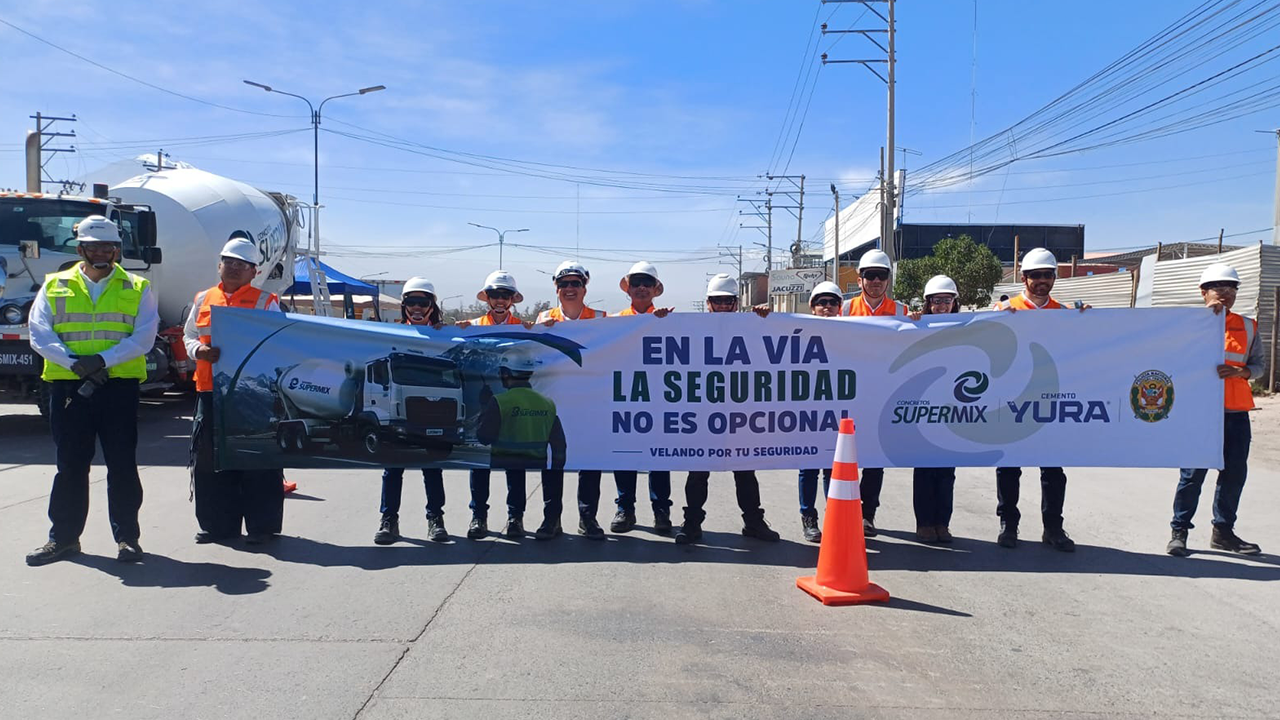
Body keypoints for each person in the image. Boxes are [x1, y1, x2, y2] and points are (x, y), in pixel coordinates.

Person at [25, 215, 159, 566]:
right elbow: (39, 333)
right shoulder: (54, 285)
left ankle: (128, 539)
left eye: (109, 246)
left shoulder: (138, 287)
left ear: (118, 249)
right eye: (95, 246)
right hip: (69, 386)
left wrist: (101, 360)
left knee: (122, 465)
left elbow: (144, 337)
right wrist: (75, 364)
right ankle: (64, 539)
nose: (103, 252)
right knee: (70, 465)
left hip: (117, 387)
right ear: (81, 248)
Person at [184, 237, 285, 546]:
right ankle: (217, 526)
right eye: (229, 263)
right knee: (210, 460)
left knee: (256, 459)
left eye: (242, 265)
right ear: (219, 265)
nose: (234, 269)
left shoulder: (266, 301)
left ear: (254, 271)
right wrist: (198, 352)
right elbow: (189, 336)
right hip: (210, 391)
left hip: (249, 394)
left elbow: (277, 344)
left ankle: (261, 527)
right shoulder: (203, 298)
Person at [993, 247, 1089, 552]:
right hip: (1014, 400)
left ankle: (1053, 527)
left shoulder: (1064, 313)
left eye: (1048, 275)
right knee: (1009, 466)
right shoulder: (1007, 309)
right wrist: (996, 318)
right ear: (1024, 278)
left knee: (1052, 469)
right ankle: (1009, 524)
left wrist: (1087, 320)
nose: (1042, 281)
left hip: (1051, 400)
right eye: (1036, 276)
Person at [675, 274, 780, 545]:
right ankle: (692, 523)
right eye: (717, 301)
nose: (722, 306)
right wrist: (659, 322)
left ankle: (753, 522)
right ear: (707, 303)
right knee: (698, 471)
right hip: (703, 414)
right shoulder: (690, 328)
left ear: (736, 303)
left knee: (745, 469)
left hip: (739, 413)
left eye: (728, 301)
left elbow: (774, 342)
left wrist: (765, 318)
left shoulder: (751, 325)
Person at [1167, 263, 1262, 557]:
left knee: (1233, 474)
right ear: (1203, 292)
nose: (1225, 293)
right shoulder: (1185, 325)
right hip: (1199, 413)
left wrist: (1242, 372)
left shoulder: (1248, 326)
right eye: (1218, 287)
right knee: (1192, 475)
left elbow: (1258, 366)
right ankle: (1179, 532)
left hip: (1235, 413)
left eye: (1231, 288)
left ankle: (1223, 533)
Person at [374, 277, 450, 545]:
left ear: (432, 306)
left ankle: (435, 519)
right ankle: (388, 521)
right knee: (393, 468)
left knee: (432, 467)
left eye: (423, 302)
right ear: (403, 305)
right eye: (411, 302)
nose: (417, 308)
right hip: (399, 411)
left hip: (432, 412)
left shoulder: (443, 335)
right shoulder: (392, 335)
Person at [535, 261, 607, 540]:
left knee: (590, 463)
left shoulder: (602, 318)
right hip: (554, 405)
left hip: (590, 405)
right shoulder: (544, 319)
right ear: (556, 287)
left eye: (575, 283)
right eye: (563, 284)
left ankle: (588, 518)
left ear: (584, 287)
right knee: (553, 463)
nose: (569, 289)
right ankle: (551, 518)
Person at [458, 270, 533, 539]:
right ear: (487, 298)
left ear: (512, 299)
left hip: (512, 404)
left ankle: (515, 518)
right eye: (495, 295)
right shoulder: (472, 326)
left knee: (515, 464)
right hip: (483, 404)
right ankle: (478, 516)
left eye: (505, 295)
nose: (500, 300)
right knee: (479, 463)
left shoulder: (523, 329)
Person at [841, 248, 908, 538]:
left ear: (889, 279)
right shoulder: (844, 309)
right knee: (845, 458)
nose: (876, 281)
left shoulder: (902, 311)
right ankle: (844, 512)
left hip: (884, 397)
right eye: (870, 276)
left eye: (881, 276)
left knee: (875, 460)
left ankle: (867, 515)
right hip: (849, 395)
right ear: (859, 279)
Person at [476, 348, 567, 538]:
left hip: (505, 458)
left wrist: (484, 407)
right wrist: (556, 467)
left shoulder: (500, 401)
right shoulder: (547, 402)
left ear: (506, 374)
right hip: (537, 459)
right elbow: (559, 444)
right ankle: (552, 519)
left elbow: (484, 437)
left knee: (477, 466)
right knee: (551, 472)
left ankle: (488, 518)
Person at [611, 261, 674, 535]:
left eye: (646, 283)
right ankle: (625, 508)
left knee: (659, 458)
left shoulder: (670, 319)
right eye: (636, 283)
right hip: (625, 398)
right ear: (629, 289)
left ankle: (662, 511)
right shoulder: (614, 322)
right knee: (624, 456)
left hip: (658, 400)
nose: (641, 288)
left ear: (655, 289)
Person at [912, 275, 960, 544]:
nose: (942, 305)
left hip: (953, 410)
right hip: (923, 409)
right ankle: (924, 523)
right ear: (928, 303)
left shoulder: (967, 328)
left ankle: (943, 523)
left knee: (946, 471)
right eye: (936, 301)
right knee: (924, 470)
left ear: (954, 303)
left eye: (946, 300)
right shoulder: (916, 326)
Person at [795, 281, 843, 543]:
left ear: (840, 307)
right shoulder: (798, 330)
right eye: (821, 303)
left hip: (839, 410)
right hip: (808, 411)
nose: (827, 307)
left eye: (832, 302)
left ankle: (835, 517)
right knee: (809, 467)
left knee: (834, 469)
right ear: (812, 307)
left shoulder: (852, 332)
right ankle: (809, 518)